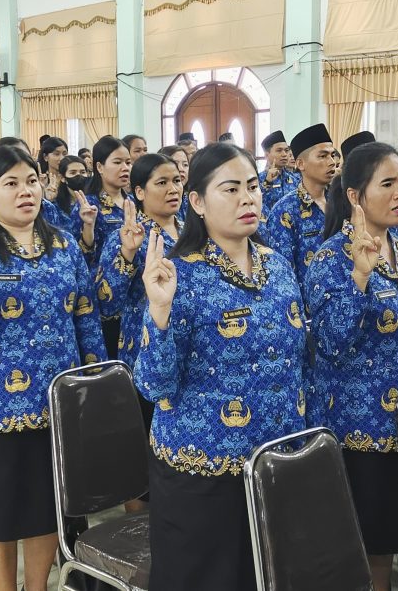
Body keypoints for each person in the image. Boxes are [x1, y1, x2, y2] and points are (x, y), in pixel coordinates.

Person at [135, 143, 308, 591]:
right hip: (204, 473)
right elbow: (155, 385)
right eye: (229, 189)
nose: (247, 199)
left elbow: (297, 363)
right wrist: (159, 314)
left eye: (252, 186)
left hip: (274, 463)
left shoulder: (278, 266)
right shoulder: (177, 275)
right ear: (197, 202)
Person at [0, 145, 105, 591]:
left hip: (56, 402)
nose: (25, 191)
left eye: (30, 180)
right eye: (10, 183)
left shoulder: (63, 242)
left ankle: (38, 587)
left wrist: (89, 383)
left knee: (44, 507)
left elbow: (85, 314)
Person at [306, 142, 398, 591]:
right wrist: (360, 278)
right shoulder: (330, 260)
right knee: (371, 549)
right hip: (360, 431)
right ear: (356, 196)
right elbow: (331, 345)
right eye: (388, 184)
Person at [97, 153, 183, 381]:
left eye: (177, 180)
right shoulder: (124, 236)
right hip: (144, 351)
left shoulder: (193, 233)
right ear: (140, 192)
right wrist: (128, 253)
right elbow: (107, 303)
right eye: (162, 183)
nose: (173, 189)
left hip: (191, 352)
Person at [265, 123, 336, 307]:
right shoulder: (285, 211)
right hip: (308, 309)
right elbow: (283, 272)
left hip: (344, 304)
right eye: (322, 156)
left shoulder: (343, 203)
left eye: (332, 155)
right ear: (300, 163)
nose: (331, 162)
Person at [69, 135, 129, 266]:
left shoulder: (134, 202)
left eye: (128, 162)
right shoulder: (87, 204)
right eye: (117, 162)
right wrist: (88, 226)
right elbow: (78, 255)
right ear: (100, 167)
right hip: (102, 280)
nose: (125, 168)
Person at [257, 130, 299, 217]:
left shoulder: (295, 179)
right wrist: (267, 182)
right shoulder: (258, 179)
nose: (284, 154)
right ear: (267, 155)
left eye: (286, 150)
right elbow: (255, 203)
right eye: (279, 150)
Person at [158, 145, 190, 220]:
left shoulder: (191, 198)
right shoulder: (158, 201)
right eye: (175, 164)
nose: (182, 169)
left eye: (185, 165)